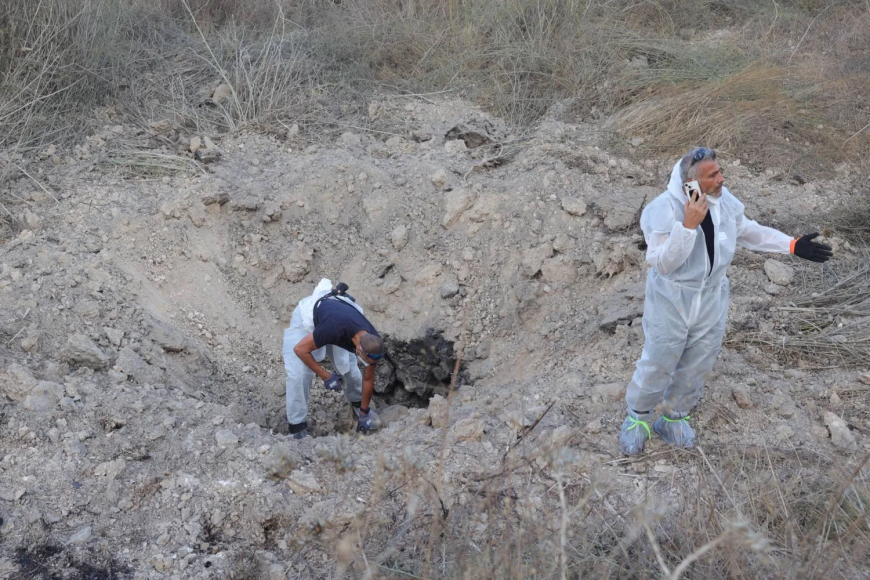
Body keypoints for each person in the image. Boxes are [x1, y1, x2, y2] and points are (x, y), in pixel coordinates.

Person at [619, 147, 833, 455]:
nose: (722, 178)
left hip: (711, 296)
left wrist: (791, 244)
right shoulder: (662, 210)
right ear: (689, 185)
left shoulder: (724, 202)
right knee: (659, 359)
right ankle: (637, 419)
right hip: (672, 296)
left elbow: (746, 231)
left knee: (699, 360)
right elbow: (663, 263)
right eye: (713, 175)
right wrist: (689, 225)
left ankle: (674, 418)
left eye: (720, 171)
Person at [282, 279, 385, 439]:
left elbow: (368, 376)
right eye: (364, 359)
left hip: (338, 314)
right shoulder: (335, 329)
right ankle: (297, 427)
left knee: (348, 368)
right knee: (298, 374)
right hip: (308, 317)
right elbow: (300, 349)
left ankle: (359, 407)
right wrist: (326, 376)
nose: (368, 364)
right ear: (358, 348)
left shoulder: (372, 342)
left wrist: (365, 412)